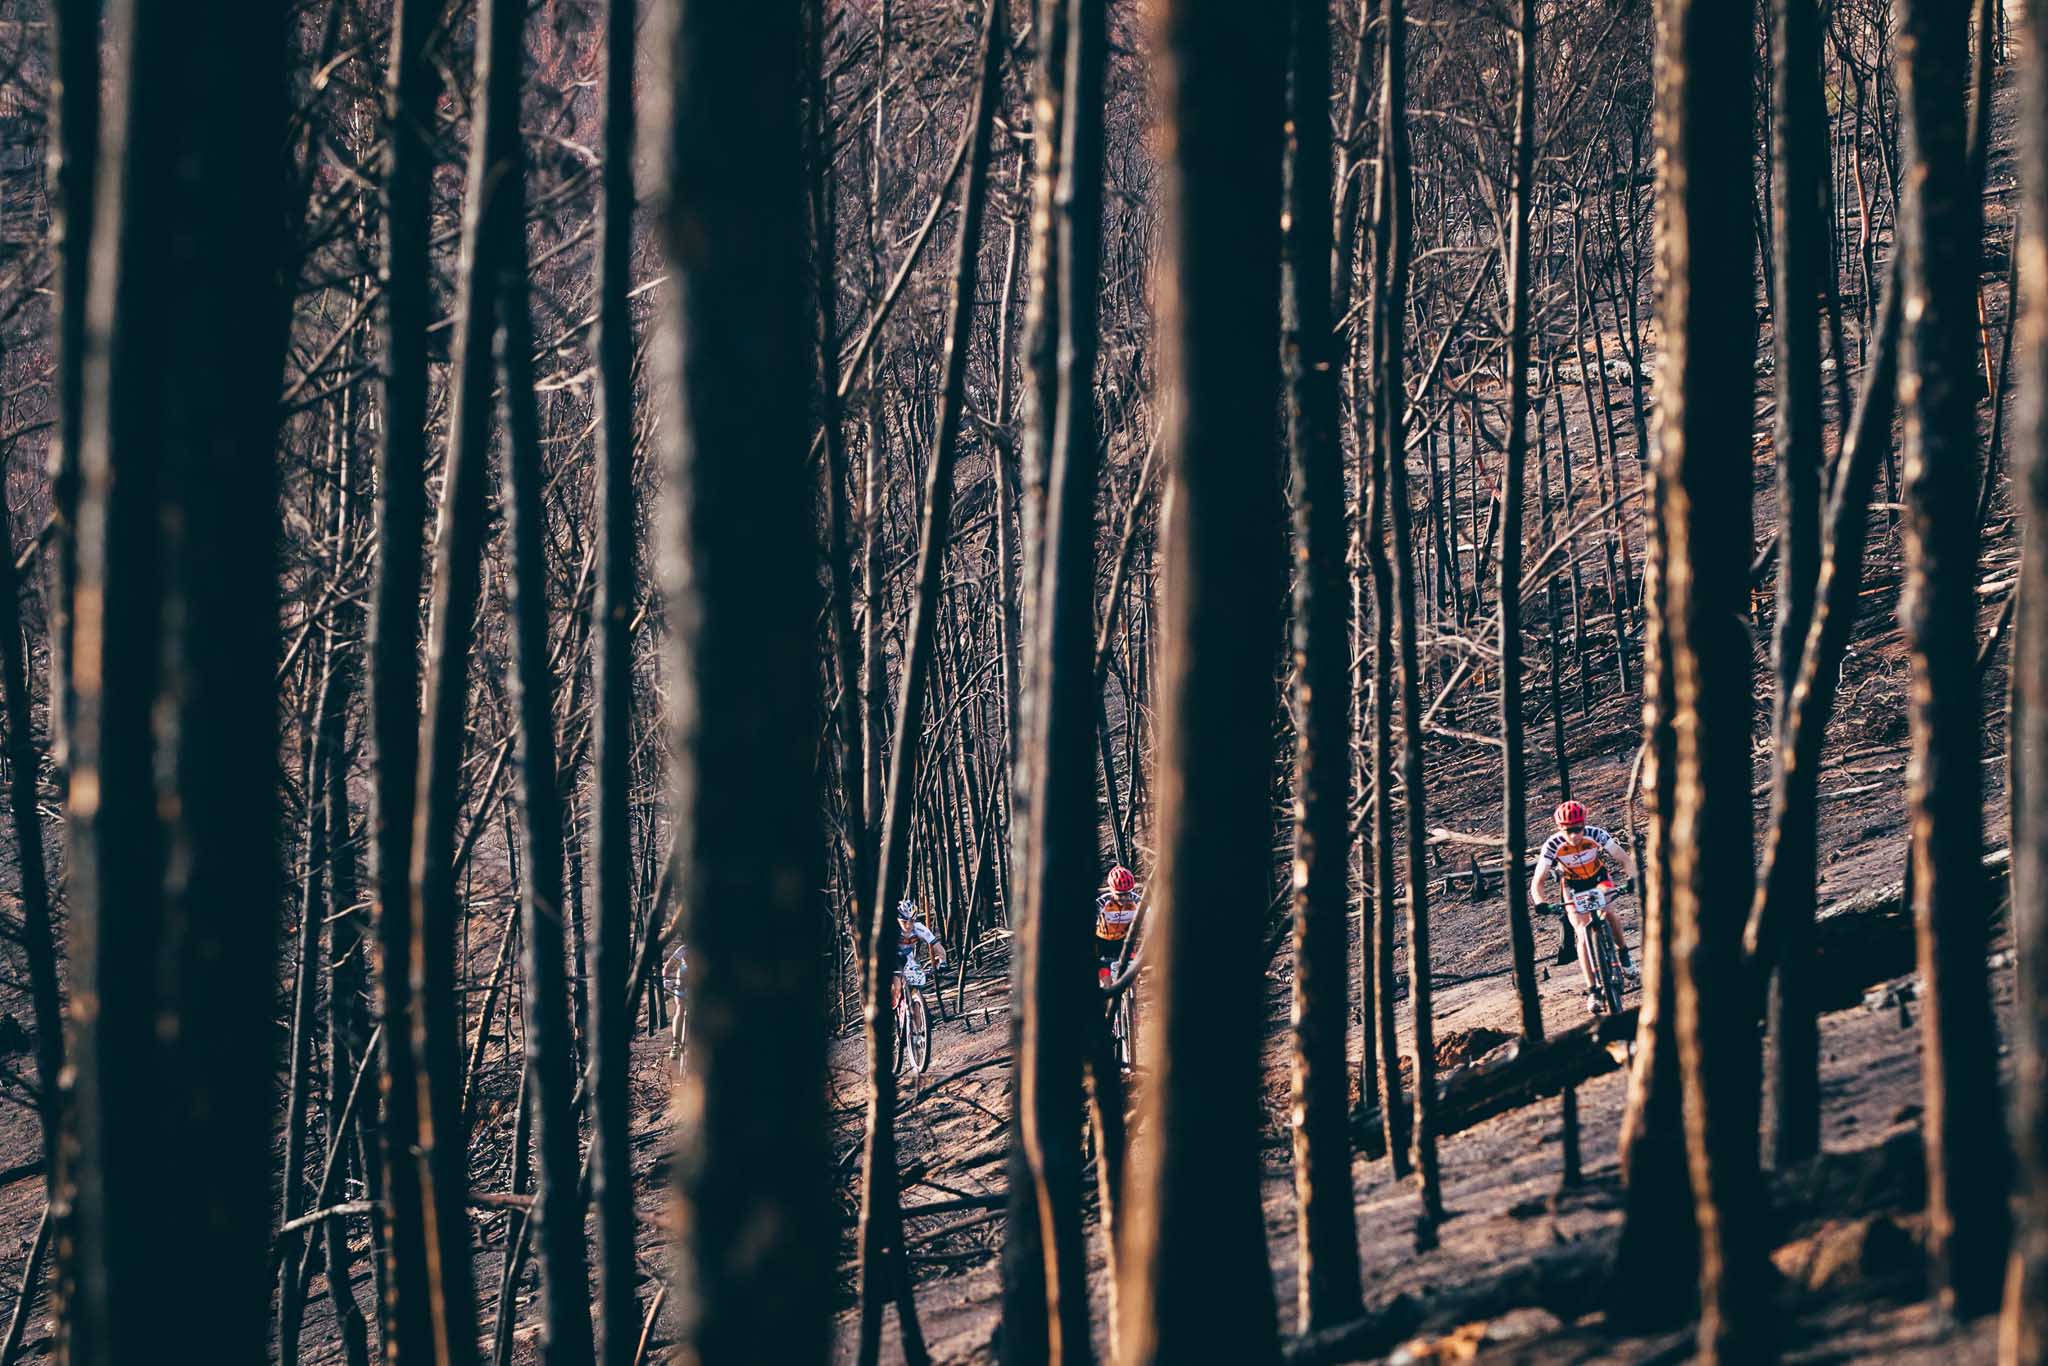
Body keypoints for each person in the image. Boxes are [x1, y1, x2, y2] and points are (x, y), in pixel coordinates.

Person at [1529, 800, 1639, 1015]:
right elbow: (1538, 881)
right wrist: (1540, 902)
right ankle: (1592, 990)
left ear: (1584, 824)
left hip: (1598, 879)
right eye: (1568, 830)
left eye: (1578, 829)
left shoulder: (1596, 835)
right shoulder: (1553, 845)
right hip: (1572, 885)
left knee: (1608, 912)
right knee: (1581, 931)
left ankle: (1623, 952)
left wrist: (1633, 878)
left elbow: (1624, 859)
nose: (1574, 835)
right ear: (1560, 828)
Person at [893, 898, 946, 1011]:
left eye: (911, 921)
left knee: (915, 987)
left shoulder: (919, 928)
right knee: (896, 986)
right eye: (904, 922)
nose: (908, 925)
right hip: (892, 958)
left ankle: (919, 1022)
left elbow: (936, 945)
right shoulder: (892, 930)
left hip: (908, 958)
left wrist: (943, 961)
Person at [1095, 865, 1140, 988]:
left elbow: (1151, 916)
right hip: (1103, 945)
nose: (1124, 898)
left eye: (1127, 894)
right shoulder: (1103, 902)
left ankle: (1131, 1002)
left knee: (1131, 980)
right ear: (1111, 890)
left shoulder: (1136, 901)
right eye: (1119, 895)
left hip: (1124, 942)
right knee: (1106, 985)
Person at [661, 940, 688, 1063]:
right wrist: (667, 983)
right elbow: (668, 967)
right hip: (682, 987)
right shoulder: (684, 949)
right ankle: (675, 1044)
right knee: (680, 1009)